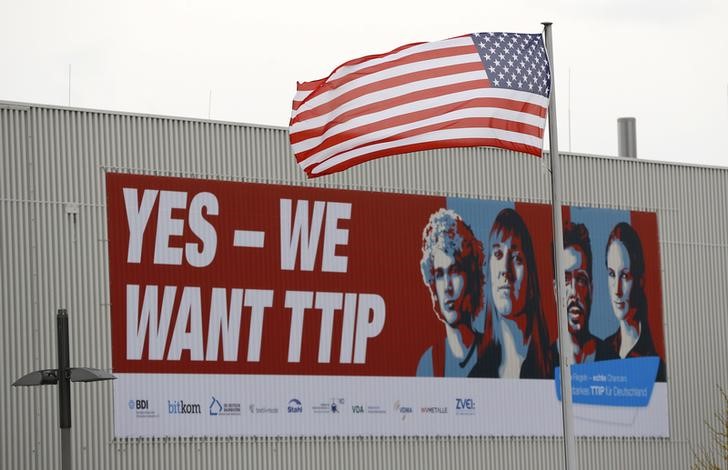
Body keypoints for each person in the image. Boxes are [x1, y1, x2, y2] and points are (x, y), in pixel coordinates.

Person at [469, 208, 552, 379]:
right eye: (498, 254)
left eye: (516, 258)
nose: (505, 270)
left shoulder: (558, 368)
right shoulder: (477, 377)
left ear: (531, 278)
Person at [417, 209, 485, 377]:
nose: (447, 286)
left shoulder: (494, 354)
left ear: (470, 276)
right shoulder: (429, 364)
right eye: (439, 275)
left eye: (454, 271)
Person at [597, 222, 666, 382]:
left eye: (625, 276)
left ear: (640, 280)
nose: (617, 290)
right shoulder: (603, 351)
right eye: (612, 274)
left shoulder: (654, 363)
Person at [551, 222, 604, 367]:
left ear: (591, 289)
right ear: (556, 291)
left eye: (581, 279)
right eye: (565, 280)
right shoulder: (537, 365)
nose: (574, 292)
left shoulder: (613, 362)